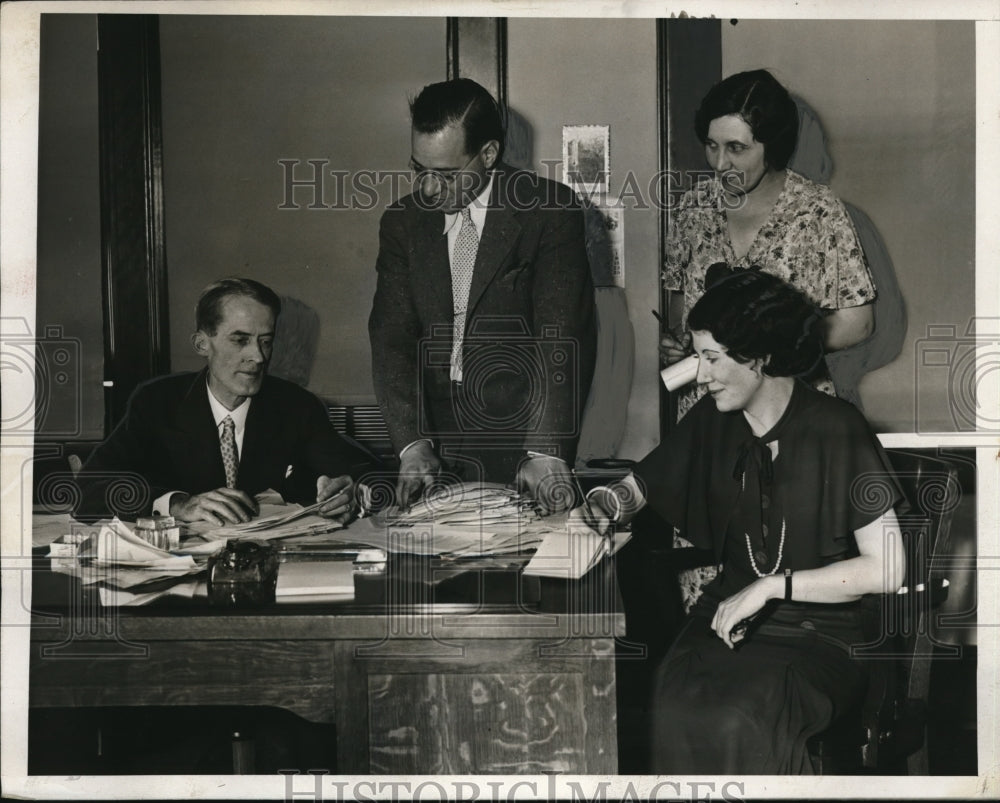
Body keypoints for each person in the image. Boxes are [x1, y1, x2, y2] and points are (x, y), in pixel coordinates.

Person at [571, 270, 905, 774]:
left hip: (821, 634)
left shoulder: (837, 428)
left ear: (759, 357)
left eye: (711, 358)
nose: (698, 377)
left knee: (739, 717)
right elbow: (645, 482)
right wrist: (611, 499)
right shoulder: (715, 418)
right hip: (726, 617)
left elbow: (888, 569)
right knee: (674, 702)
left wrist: (771, 588)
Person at [369, 78, 596, 513]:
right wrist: (411, 442)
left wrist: (546, 449)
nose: (430, 189)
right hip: (432, 446)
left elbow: (562, 334)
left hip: (522, 443)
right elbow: (391, 337)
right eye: (420, 170)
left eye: (447, 174)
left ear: (488, 154)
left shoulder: (549, 212)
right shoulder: (402, 222)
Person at [661, 69, 877, 418]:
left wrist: (775, 343)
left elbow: (859, 323)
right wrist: (677, 343)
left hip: (789, 410)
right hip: (707, 413)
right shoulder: (692, 208)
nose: (719, 163)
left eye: (736, 148)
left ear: (772, 146)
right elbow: (681, 313)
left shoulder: (817, 210)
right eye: (712, 145)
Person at [75, 278, 372, 525]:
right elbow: (88, 488)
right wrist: (178, 504)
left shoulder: (296, 405)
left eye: (266, 341)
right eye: (240, 340)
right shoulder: (157, 401)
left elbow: (365, 470)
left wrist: (347, 489)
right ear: (202, 344)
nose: (258, 357)